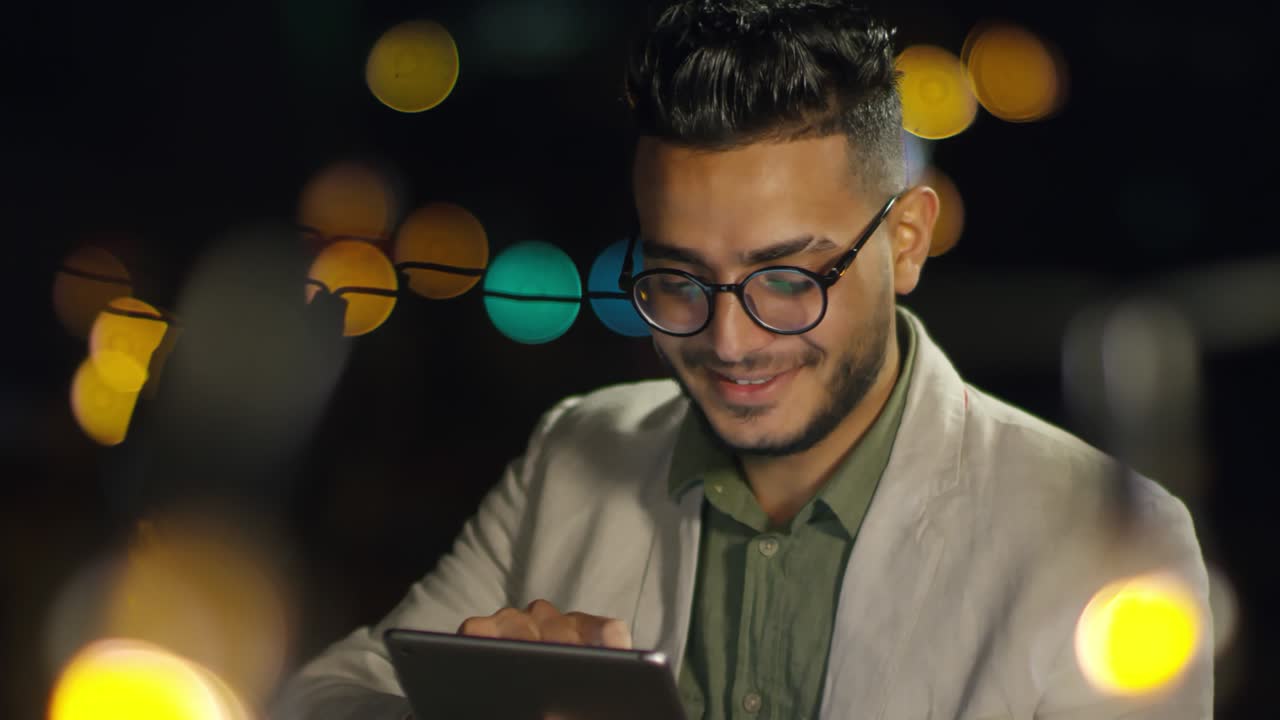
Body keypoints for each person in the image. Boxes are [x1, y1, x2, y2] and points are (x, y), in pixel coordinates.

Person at [276, 1, 1212, 718]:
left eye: (786, 278)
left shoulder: (1109, 542)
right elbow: (327, 692)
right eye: (679, 279)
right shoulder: (575, 452)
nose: (728, 343)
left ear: (909, 242)